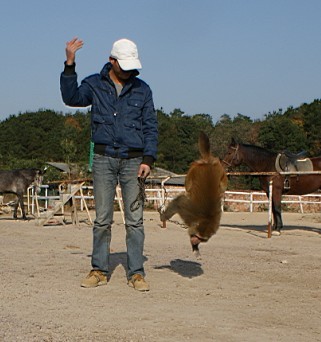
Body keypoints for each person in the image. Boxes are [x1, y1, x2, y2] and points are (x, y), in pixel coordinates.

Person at [60, 37, 158, 291]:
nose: (128, 70)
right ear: (111, 61)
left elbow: (150, 126)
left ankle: (136, 273)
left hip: (134, 160)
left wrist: (149, 158)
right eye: (123, 64)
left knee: (134, 220)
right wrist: (70, 64)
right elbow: (71, 98)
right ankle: (99, 270)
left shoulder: (143, 89)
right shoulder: (94, 83)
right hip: (103, 159)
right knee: (102, 218)